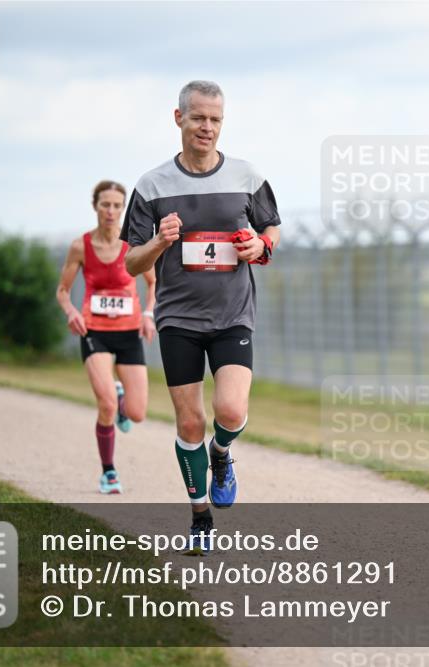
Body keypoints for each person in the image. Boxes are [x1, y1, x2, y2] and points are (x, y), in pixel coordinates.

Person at [122, 80, 281, 554]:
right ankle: (200, 517)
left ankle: (222, 453)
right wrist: (159, 241)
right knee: (189, 422)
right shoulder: (152, 186)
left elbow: (271, 229)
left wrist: (260, 245)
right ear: (179, 119)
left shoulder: (247, 176)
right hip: (178, 319)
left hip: (233, 315)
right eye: (198, 118)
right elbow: (131, 262)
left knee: (229, 411)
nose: (207, 127)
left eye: (215, 119)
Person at [56, 180, 157, 494]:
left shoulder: (134, 247)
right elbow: (62, 291)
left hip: (129, 332)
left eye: (117, 205)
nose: (111, 211)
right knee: (107, 406)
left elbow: (153, 283)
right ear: (95, 207)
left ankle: (122, 396)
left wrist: (148, 314)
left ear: (123, 209)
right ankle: (109, 472)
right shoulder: (80, 246)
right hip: (94, 331)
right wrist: (71, 312)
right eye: (105, 205)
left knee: (137, 414)